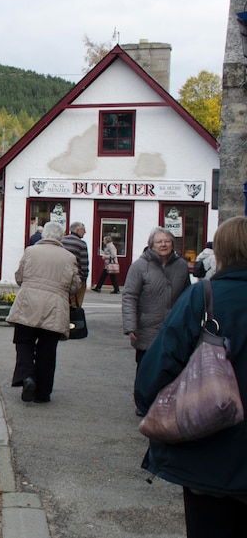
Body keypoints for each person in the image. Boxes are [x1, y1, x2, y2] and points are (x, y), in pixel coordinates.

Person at [134, 216, 247, 537]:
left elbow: (155, 371)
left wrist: (154, 405)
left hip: (208, 452)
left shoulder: (204, 298)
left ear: (220, 252)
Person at [5, 222, 82, 404]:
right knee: (47, 349)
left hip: (29, 304)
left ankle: (27, 377)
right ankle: (43, 393)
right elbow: (74, 286)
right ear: (60, 237)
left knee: (24, 342)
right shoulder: (69, 257)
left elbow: (19, 277)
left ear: (43, 235)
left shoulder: (30, 251)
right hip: (55, 308)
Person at [122, 227, 191, 375]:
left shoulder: (182, 266)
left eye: (167, 241)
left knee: (172, 372)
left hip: (174, 328)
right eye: (159, 242)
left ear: (172, 244)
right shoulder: (139, 266)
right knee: (146, 372)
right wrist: (130, 325)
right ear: (152, 245)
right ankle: (144, 398)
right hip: (147, 328)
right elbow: (129, 296)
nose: (163, 245)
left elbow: (187, 297)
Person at [61, 221, 90, 307]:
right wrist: (84, 278)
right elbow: (84, 263)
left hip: (62, 275)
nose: (85, 232)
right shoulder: (81, 244)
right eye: (83, 230)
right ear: (78, 230)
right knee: (76, 303)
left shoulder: (62, 240)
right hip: (76, 277)